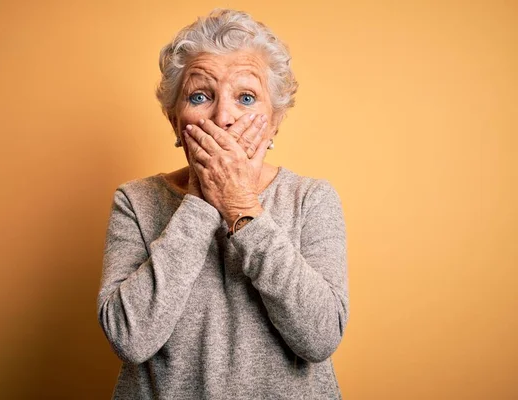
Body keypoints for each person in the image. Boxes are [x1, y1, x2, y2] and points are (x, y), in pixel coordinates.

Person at [97, 8, 349, 399]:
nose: (223, 116)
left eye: (246, 97)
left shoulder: (311, 199)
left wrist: (240, 204)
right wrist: (202, 198)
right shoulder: (136, 201)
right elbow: (129, 338)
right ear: (174, 121)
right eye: (200, 96)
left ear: (275, 122)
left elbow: (319, 338)